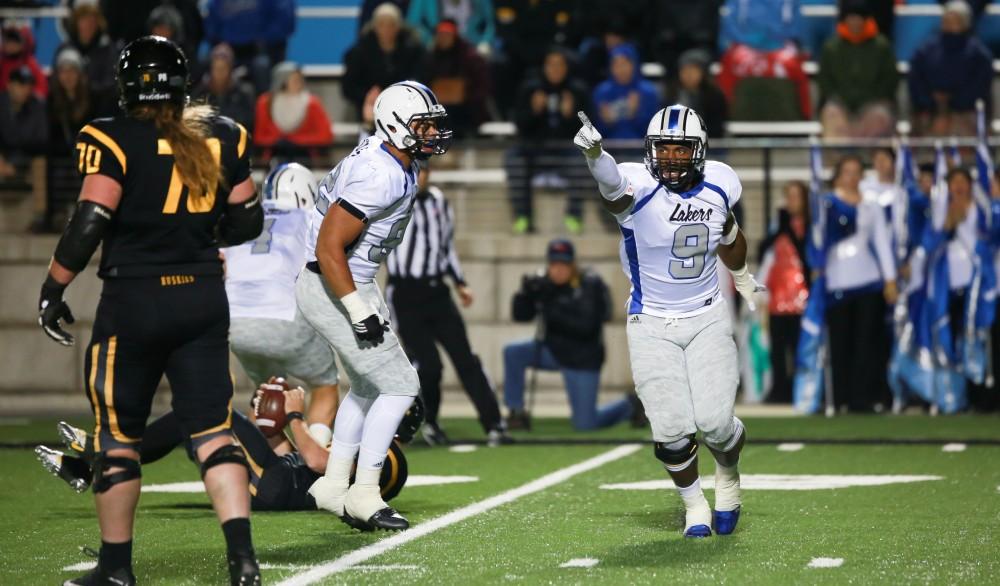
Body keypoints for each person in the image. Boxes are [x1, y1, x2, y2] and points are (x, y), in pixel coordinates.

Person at [35, 37, 263, 585]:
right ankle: (243, 561)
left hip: (135, 300)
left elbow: (91, 217)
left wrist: (53, 286)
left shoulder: (110, 136)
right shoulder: (224, 134)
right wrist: (204, 236)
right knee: (213, 432)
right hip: (203, 297)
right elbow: (249, 221)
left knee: (118, 440)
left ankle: (115, 569)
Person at [574, 105, 763, 537]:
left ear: (699, 151)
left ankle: (728, 475)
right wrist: (595, 157)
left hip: (707, 315)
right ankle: (694, 504)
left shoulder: (720, 183)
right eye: (665, 149)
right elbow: (614, 190)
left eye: (681, 149)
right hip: (651, 321)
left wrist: (742, 275)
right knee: (672, 431)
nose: (672, 158)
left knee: (716, 423)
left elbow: (730, 236)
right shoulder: (638, 188)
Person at [297, 81, 451, 532]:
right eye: (422, 125)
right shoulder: (381, 173)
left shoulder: (392, 159)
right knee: (401, 386)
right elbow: (329, 248)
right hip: (333, 282)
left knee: (367, 387)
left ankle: (332, 482)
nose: (431, 133)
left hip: (345, 281)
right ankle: (364, 492)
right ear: (395, 125)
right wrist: (357, 308)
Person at [36, 385, 411, 512]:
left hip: (277, 486)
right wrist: (270, 425)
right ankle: (90, 469)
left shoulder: (391, 462)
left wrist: (295, 416)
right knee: (192, 419)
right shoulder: (367, 445)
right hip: (277, 478)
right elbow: (296, 458)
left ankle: (101, 450)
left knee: (210, 412)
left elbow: (315, 461)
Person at [386, 163, 511, 446]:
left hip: (437, 292)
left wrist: (460, 282)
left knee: (466, 359)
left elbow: (445, 246)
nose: (420, 177)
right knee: (428, 365)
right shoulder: (392, 201)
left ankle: (494, 424)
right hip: (406, 292)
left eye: (423, 171)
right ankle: (429, 423)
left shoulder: (439, 201)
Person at [224, 163, 342, 448]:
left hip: (233, 322)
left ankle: (259, 465)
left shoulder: (242, 218)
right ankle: (312, 460)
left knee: (267, 391)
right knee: (325, 385)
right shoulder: (312, 222)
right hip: (284, 317)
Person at [503, 238, 637, 431]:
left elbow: (586, 327)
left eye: (563, 264)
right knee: (513, 352)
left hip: (582, 359)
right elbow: (521, 316)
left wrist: (550, 304)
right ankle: (516, 412)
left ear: (573, 264)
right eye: (554, 264)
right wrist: (525, 294)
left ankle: (630, 405)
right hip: (553, 351)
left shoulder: (589, 284)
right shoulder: (546, 284)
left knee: (586, 424)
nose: (558, 270)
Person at [815, 155, 897, 413]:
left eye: (856, 172)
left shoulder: (870, 204)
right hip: (837, 280)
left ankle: (863, 398)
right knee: (840, 343)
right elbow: (818, 241)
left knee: (866, 343)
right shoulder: (826, 204)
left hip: (869, 281)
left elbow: (882, 242)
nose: (851, 177)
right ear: (838, 175)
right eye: (846, 171)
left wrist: (890, 279)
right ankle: (839, 398)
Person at [507, 47, 591, 234]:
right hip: (535, 149)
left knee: (582, 161)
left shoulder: (577, 91)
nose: (555, 69)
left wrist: (570, 115)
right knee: (514, 159)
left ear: (567, 67)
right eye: (551, 65)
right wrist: (534, 111)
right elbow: (520, 125)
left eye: (559, 65)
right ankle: (523, 217)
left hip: (567, 150)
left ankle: (574, 217)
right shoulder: (529, 89)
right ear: (544, 67)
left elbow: (589, 128)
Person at [757, 181, 809, 404]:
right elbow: (762, 251)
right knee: (777, 348)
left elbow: (806, 254)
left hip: (802, 295)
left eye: (796, 196)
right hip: (779, 295)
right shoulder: (778, 225)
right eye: (788, 196)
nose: (791, 201)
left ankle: (800, 387)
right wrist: (779, 229)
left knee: (799, 347)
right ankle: (779, 388)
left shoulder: (810, 224)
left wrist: (789, 229)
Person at [909, 0, 993, 137]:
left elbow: (979, 87)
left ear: (965, 23)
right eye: (946, 20)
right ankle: (928, 158)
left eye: (955, 21)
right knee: (928, 125)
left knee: (957, 126)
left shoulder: (979, 55)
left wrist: (950, 105)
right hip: (930, 109)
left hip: (966, 110)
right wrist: (933, 103)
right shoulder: (926, 50)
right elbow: (916, 80)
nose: (949, 25)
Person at [817, 0, 897, 139]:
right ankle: (843, 160)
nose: (855, 22)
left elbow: (889, 79)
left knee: (879, 116)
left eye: (859, 17)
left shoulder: (881, 46)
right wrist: (840, 100)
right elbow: (825, 81)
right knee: (831, 114)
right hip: (840, 103)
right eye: (851, 17)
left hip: (874, 103)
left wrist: (871, 100)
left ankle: (871, 157)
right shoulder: (831, 48)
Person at [342, 3, 427, 120]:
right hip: (370, 111)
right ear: (374, 26)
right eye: (381, 24)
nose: (386, 29)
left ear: (398, 26)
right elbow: (348, 87)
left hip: (405, 110)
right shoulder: (359, 53)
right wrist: (368, 95)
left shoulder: (413, 51)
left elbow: (420, 79)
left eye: (391, 24)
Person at [420, 19, 491, 138]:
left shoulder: (470, 57)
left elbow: (483, 85)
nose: (444, 38)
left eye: (447, 35)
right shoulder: (430, 58)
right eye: (441, 35)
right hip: (438, 108)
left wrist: (464, 93)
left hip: (466, 109)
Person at [253, 61, 334, 165]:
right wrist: (278, 141)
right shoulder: (265, 103)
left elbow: (326, 135)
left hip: (305, 155)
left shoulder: (312, 103)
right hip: (274, 155)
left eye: (299, 79)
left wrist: (295, 141)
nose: (298, 83)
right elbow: (259, 137)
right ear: (282, 81)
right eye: (294, 79)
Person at [591, 43, 660, 140]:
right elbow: (595, 133)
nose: (621, 69)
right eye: (616, 65)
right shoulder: (602, 92)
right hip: (609, 149)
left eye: (625, 63)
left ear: (634, 65)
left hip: (640, 149)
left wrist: (634, 115)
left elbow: (654, 132)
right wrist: (606, 123)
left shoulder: (648, 91)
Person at [54, 3, 119, 96]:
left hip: (100, 103)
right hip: (69, 102)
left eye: (92, 21)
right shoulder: (64, 49)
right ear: (76, 22)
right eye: (84, 20)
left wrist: (88, 89)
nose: (88, 25)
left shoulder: (108, 50)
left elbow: (111, 82)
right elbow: (55, 81)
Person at [663, 48, 728, 139]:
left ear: (703, 73)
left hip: (708, 145)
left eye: (693, 71)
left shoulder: (715, 96)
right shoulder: (671, 94)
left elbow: (716, 128)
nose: (689, 75)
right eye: (684, 71)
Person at [193, 43, 257, 133]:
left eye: (223, 68)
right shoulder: (201, 92)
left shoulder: (244, 92)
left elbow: (248, 123)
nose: (219, 73)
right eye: (216, 68)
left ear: (230, 69)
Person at [407, 0, 495, 49]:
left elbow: (490, 23)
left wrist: (485, 42)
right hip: (436, 47)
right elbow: (412, 24)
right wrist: (429, 40)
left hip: (472, 46)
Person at [0, 23, 47, 98]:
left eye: (15, 41)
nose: (11, 45)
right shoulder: (2, 61)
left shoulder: (30, 62)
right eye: (9, 41)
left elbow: (41, 88)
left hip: (26, 103)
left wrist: (27, 95)